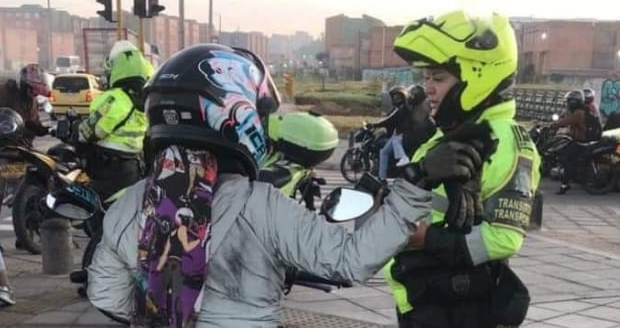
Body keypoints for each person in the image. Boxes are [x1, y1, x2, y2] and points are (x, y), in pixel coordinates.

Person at [87, 44, 484, 327]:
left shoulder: (126, 206)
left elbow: (107, 297)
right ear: (234, 112)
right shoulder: (260, 204)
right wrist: (417, 181)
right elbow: (349, 260)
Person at [384, 10, 541, 327]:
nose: (427, 88)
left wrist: (426, 239)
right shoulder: (446, 136)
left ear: (478, 75)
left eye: (438, 78)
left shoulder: (505, 141)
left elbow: (504, 238)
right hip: (426, 299)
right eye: (426, 77)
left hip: (460, 310)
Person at [78, 41, 153, 200]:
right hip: (133, 168)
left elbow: (88, 132)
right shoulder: (146, 100)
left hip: (108, 172)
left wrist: (74, 132)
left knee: (85, 208)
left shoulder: (115, 99)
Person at [0, 64, 51, 143]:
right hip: (5, 146)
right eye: (32, 90)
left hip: (25, 145)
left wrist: (47, 130)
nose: (35, 94)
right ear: (24, 85)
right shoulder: (5, 93)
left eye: (36, 93)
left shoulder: (33, 101)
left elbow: (34, 123)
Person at [550, 90, 588, 194]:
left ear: (573, 102)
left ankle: (565, 184)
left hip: (581, 141)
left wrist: (553, 125)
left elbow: (566, 121)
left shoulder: (578, 113)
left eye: (569, 102)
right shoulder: (581, 111)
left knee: (565, 159)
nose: (567, 104)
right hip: (579, 139)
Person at [371, 86, 412, 179]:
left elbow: (390, 120)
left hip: (403, 135)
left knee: (395, 141)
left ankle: (403, 158)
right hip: (397, 134)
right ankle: (382, 178)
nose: (395, 99)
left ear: (402, 97)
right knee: (383, 152)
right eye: (394, 97)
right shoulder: (397, 108)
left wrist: (374, 125)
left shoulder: (403, 108)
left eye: (397, 97)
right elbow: (389, 117)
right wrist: (376, 123)